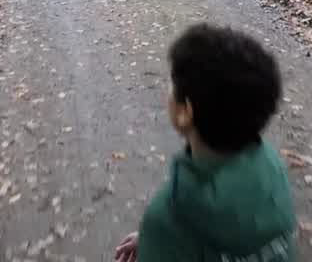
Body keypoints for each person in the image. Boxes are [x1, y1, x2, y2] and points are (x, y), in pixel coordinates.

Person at [114, 23, 296, 262]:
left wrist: (160, 238)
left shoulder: (169, 218)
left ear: (185, 112)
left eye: (171, 84)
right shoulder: (271, 166)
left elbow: (182, 230)